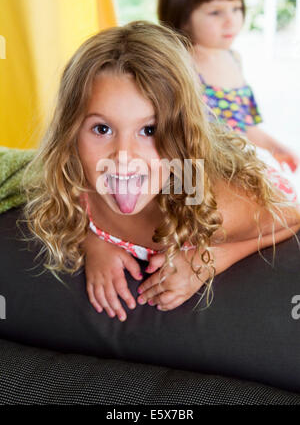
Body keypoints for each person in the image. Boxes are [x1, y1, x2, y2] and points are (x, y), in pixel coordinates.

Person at [21, 21, 300, 325]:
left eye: (149, 130)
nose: (124, 157)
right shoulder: (76, 184)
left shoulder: (206, 207)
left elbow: (293, 215)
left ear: (179, 136)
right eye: (102, 129)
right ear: (71, 134)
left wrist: (210, 261)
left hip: (245, 175)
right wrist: (94, 241)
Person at [157, 0, 299, 173]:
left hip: (237, 166)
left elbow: (242, 124)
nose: (231, 20)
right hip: (201, 172)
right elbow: (175, 137)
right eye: (216, 12)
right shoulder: (182, 64)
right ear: (182, 17)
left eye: (236, 8)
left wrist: (275, 147)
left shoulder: (233, 57)